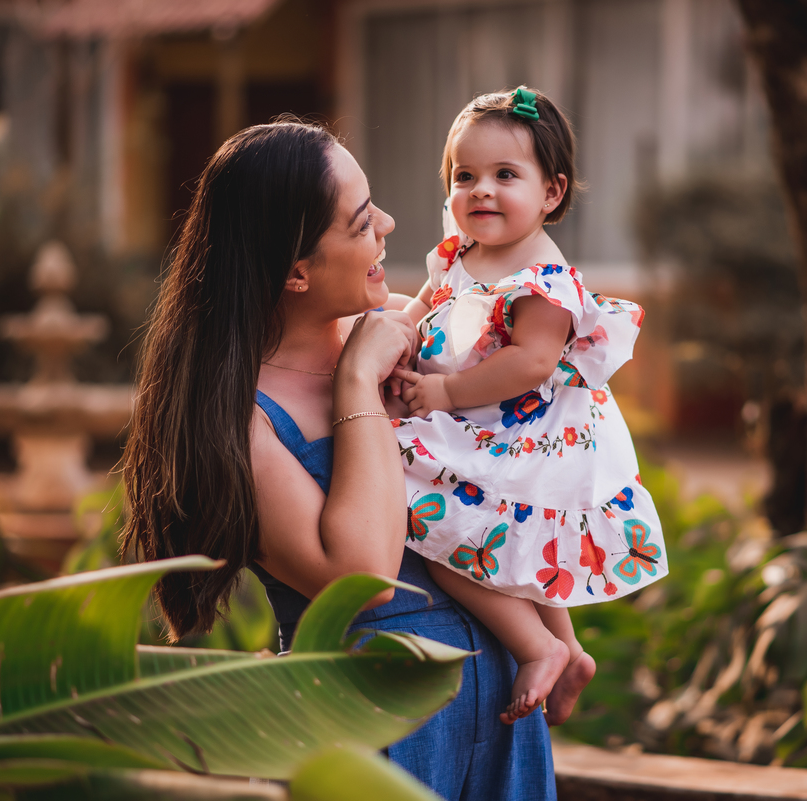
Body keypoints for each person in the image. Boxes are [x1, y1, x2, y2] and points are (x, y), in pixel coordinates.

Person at [120, 118, 556, 801]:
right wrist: (357, 384)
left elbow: (499, 462)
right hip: (369, 724)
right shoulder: (240, 421)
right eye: (359, 223)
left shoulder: (395, 332)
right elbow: (365, 577)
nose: (386, 222)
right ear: (297, 270)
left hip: (499, 705)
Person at [392, 87, 668, 726]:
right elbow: (428, 305)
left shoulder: (540, 280)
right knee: (517, 546)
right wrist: (397, 337)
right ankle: (570, 653)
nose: (480, 190)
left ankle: (536, 645)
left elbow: (532, 362)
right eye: (466, 176)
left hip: (525, 435)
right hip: (482, 425)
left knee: (451, 544)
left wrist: (443, 393)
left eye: (505, 176)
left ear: (552, 193)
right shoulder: (462, 252)